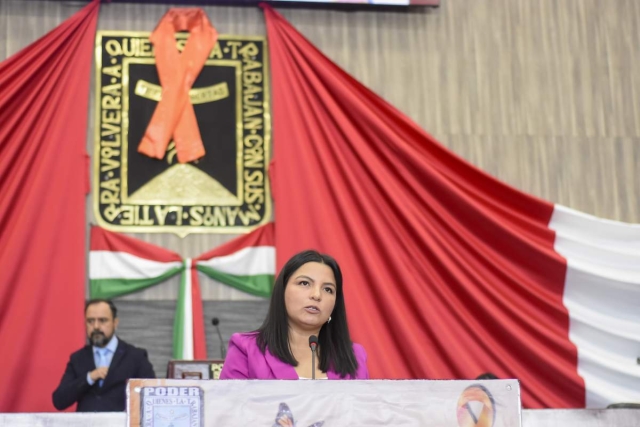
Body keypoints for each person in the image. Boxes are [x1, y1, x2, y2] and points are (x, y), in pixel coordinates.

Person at [220, 250, 369, 380]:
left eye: (328, 289)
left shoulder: (354, 356)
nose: (317, 295)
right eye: (304, 283)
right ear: (282, 290)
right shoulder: (246, 349)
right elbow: (230, 409)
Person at [52, 299, 156, 412]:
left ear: (115, 323)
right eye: (90, 321)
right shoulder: (78, 358)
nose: (96, 326)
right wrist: (89, 378)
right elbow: (59, 401)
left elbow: (152, 397)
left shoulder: (135, 357)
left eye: (102, 320)